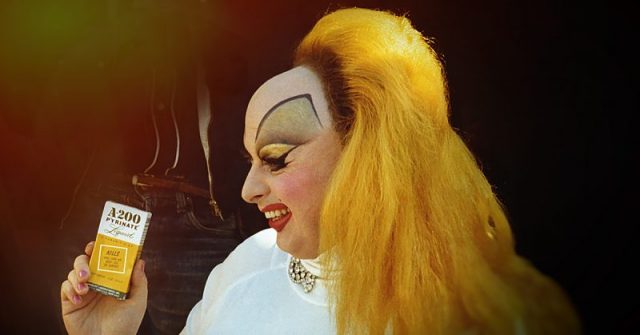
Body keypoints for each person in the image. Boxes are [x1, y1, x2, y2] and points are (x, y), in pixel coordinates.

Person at [61, 7, 581, 334]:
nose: (247, 190)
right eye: (248, 161)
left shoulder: (494, 317)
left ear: (371, 152)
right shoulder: (245, 268)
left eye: (277, 158)